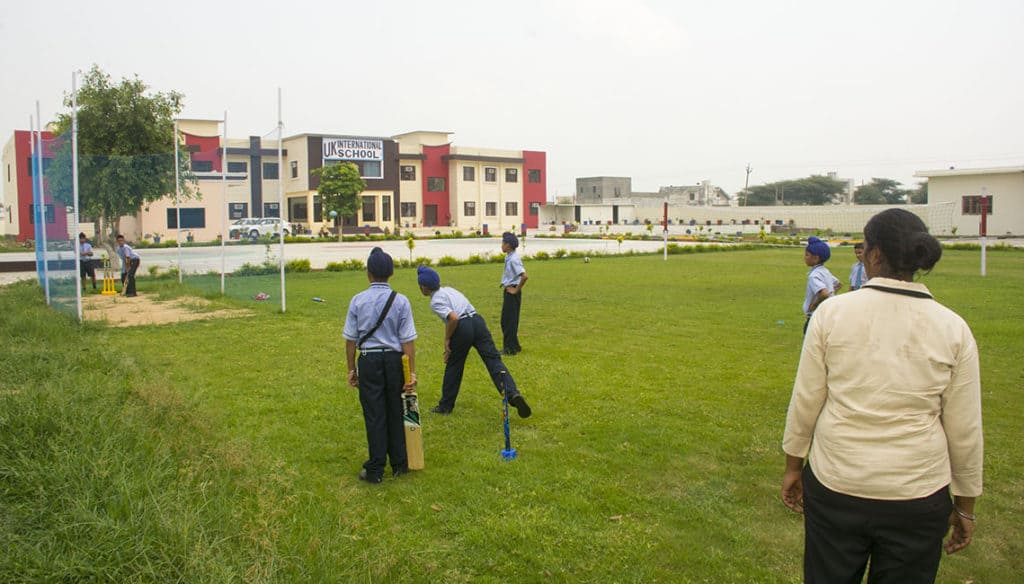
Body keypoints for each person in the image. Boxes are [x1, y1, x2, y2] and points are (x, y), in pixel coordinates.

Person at [781, 209, 983, 584]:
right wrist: (966, 506)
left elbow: (806, 399)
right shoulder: (952, 327)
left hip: (838, 485)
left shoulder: (832, 314)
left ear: (874, 255)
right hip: (918, 495)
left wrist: (794, 465)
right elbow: (965, 428)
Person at [343, 247, 418, 484]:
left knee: (375, 415)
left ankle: (375, 468)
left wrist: (351, 369)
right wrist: (411, 372)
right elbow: (407, 340)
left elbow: (350, 340)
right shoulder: (401, 301)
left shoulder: (357, 301)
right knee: (396, 410)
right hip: (395, 361)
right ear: (391, 272)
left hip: (369, 360)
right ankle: (400, 463)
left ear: (368, 273)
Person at [416, 265, 531, 418]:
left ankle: (445, 406)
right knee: (493, 360)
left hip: (463, 326)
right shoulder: (449, 290)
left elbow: (453, 318)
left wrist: (447, 340)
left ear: (423, 287)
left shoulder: (435, 301)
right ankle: (512, 394)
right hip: (477, 322)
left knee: (454, 365)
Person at [801, 236, 842, 334]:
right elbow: (838, 284)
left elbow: (824, 293)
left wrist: (814, 305)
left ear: (815, 258)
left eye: (807, 255)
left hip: (815, 317)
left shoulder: (814, 276)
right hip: (826, 315)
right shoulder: (825, 271)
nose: (804, 258)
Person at [499, 232, 528, 355]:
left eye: (503, 243)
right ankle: (514, 345)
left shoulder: (514, 260)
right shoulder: (509, 257)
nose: (501, 245)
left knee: (508, 321)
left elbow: (524, 276)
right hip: (508, 289)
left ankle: (509, 349)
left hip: (512, 291)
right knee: (508, 320)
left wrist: (516, 290)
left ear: (509, 245)